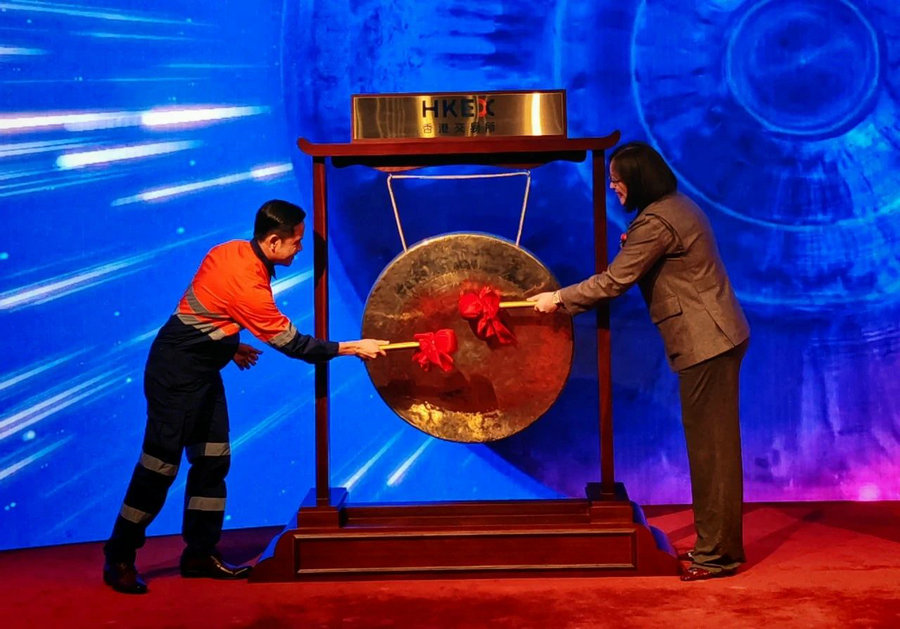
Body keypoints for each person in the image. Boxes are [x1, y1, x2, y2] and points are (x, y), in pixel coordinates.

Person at [103, 199, 387, 594]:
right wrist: (353, 348)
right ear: (272, 242)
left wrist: (228, 345)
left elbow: (204, 307)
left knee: (212, 461)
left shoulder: (230, 251)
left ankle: (200, 553)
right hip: (175, 375)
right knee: (159, 467)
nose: (300, 248)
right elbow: (295, 346)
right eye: (296, 242)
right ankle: (119, 556)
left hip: (200, 369)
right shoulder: (249, 286)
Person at [529, 142, 750, 582]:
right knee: (713, 449)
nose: (613, 187)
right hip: (715, 337)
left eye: (617, 179)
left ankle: (717, 556)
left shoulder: (658, 222)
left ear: (639, 178)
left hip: (708, 341)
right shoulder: (675, 207)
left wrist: (558, 298)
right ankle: (719, 547)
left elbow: (615, 281)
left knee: (712, 452)